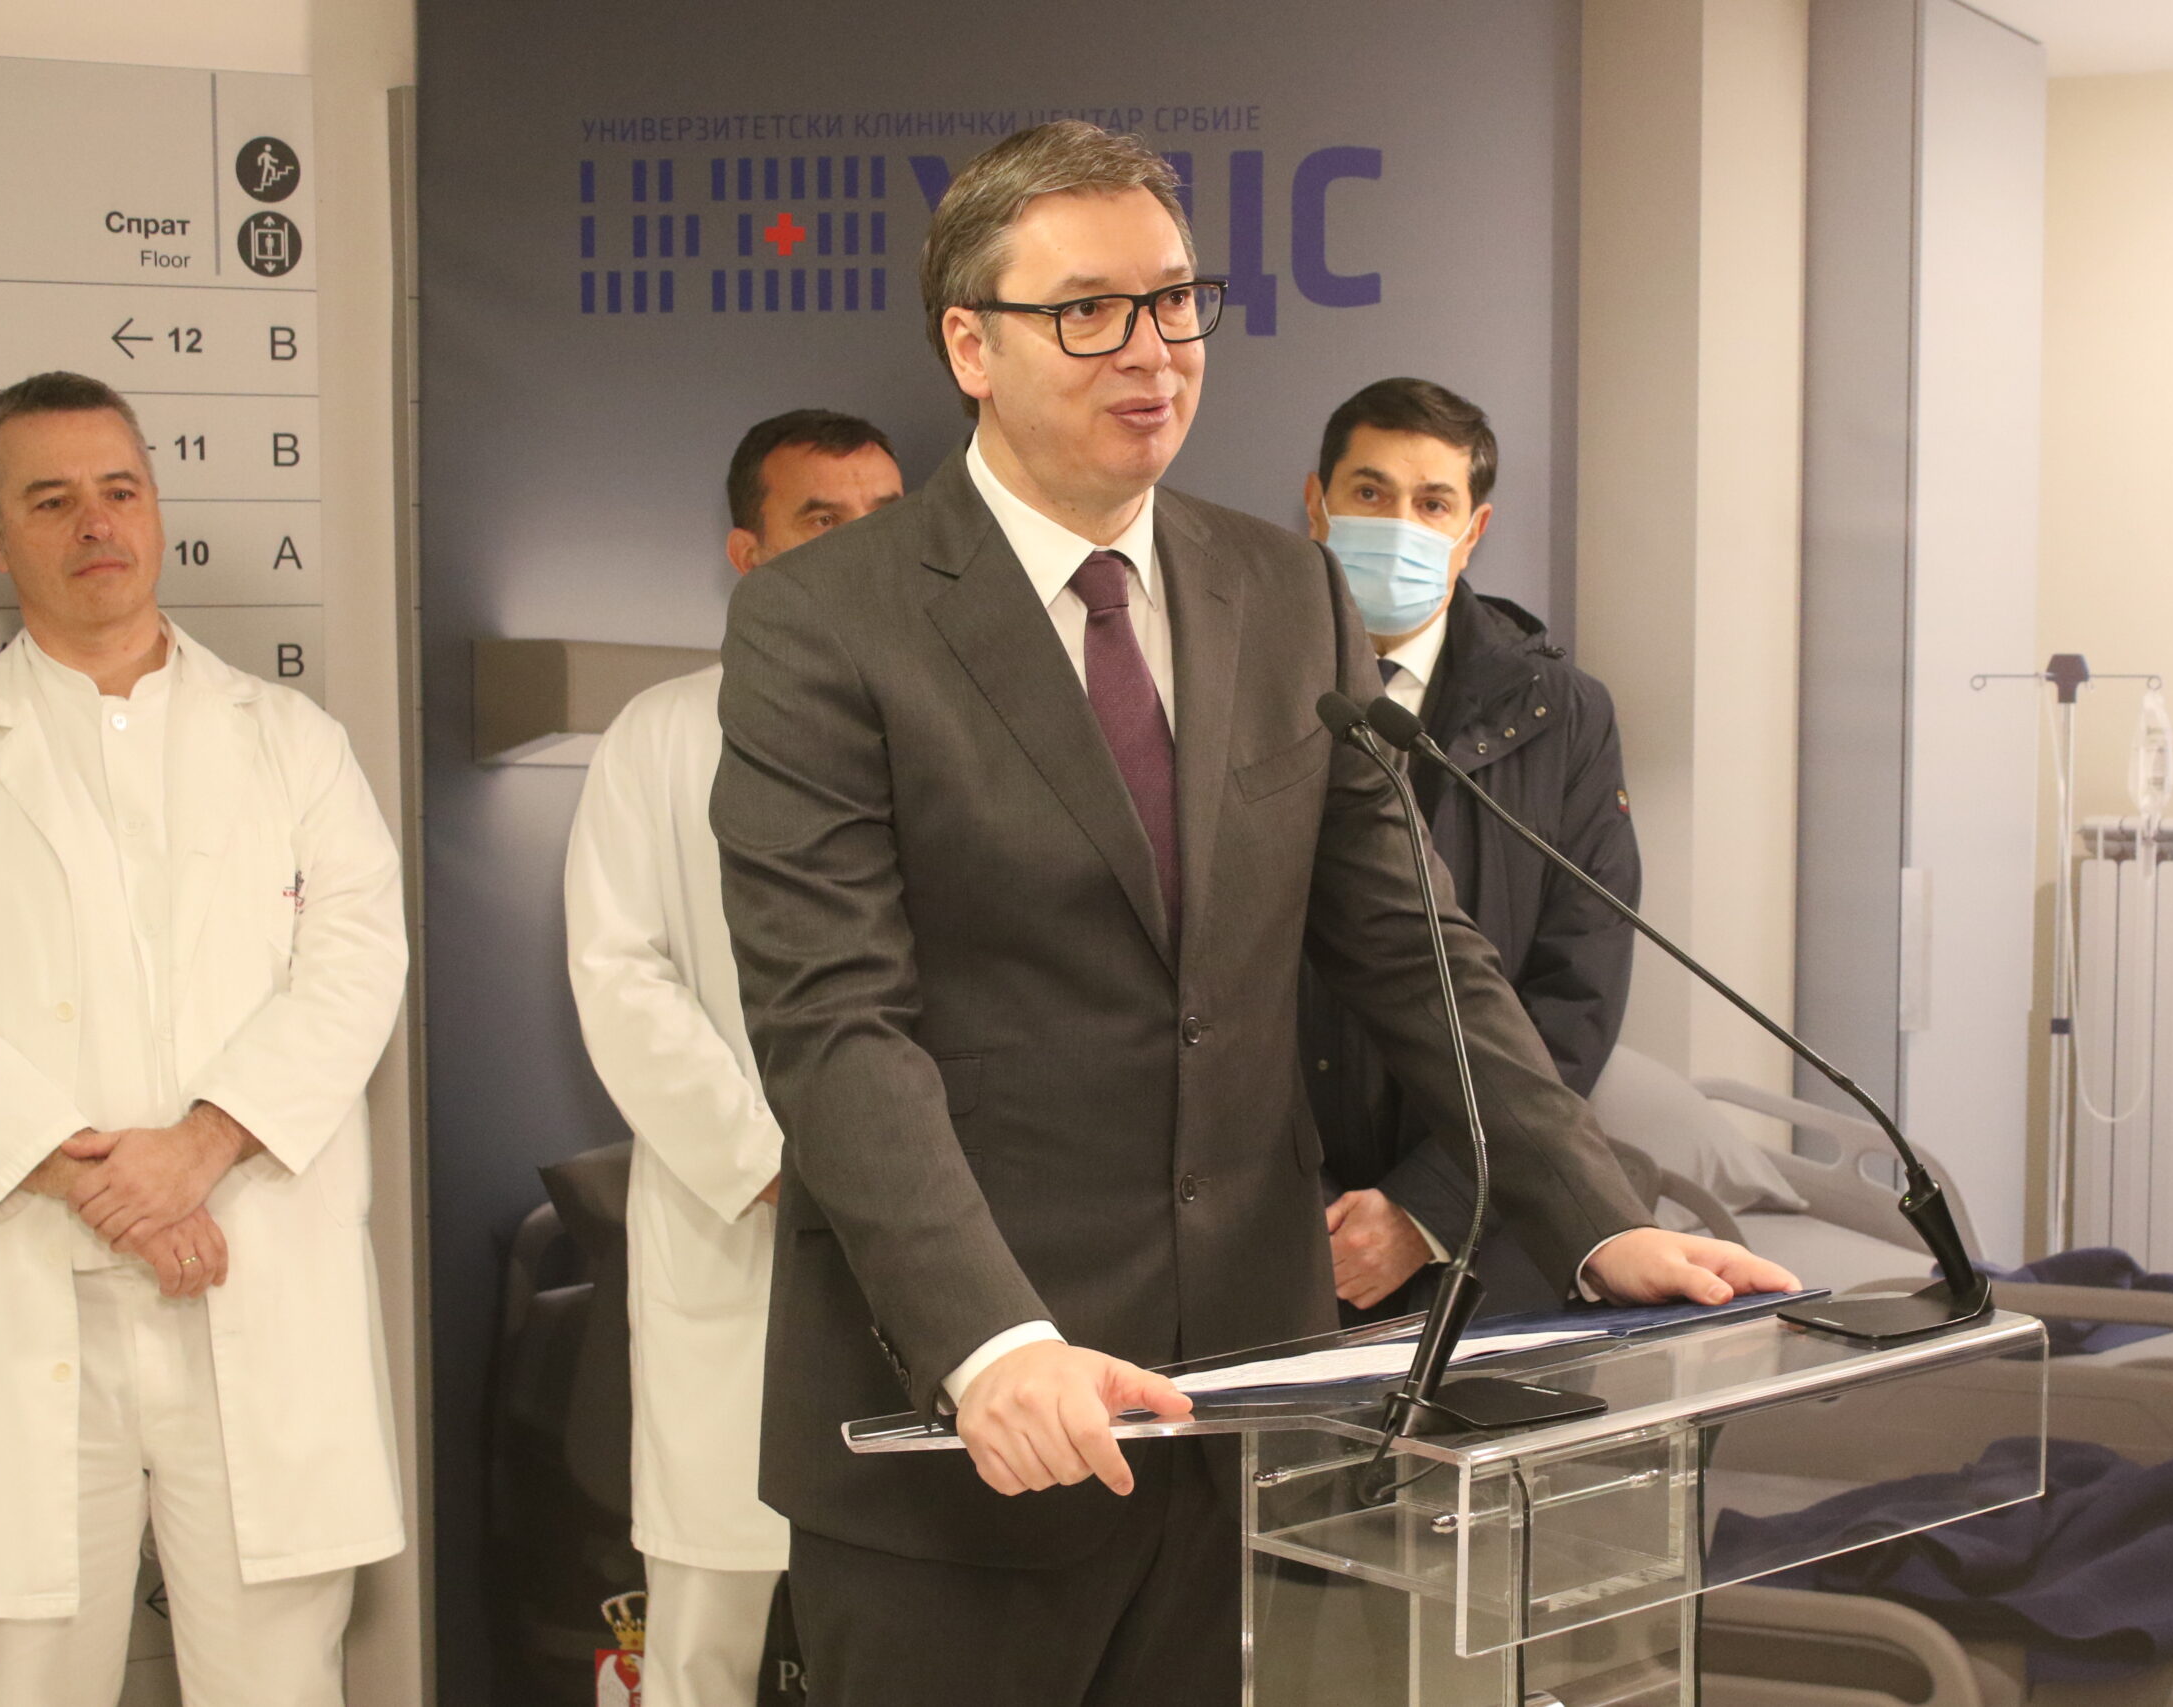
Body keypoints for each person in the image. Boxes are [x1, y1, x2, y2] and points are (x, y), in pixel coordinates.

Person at [709, 121, 1797, 1707]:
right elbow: (834, 1025)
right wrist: (989, 1339)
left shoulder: (1285, 592)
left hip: (1242, 1412)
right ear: (970, 346)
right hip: (970, 1428)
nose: (1150, 350)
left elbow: (1415, 947)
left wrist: (1594, 1209)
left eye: (1174, 300)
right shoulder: (825, 619)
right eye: (1088, 310)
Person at [0, 372, 408, 1707]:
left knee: (276, 1678)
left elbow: (356, 964)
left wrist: (203, 1146)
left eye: (119, 490)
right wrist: (91, 1176)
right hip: (30, 1288)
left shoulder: (291, 742)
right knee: (25, 1670)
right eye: (51, 500)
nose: (95, 524)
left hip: (249, 1276)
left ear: (156, 507)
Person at [564, 409, 902, 1707]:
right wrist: (773, 1167)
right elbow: (620, 971)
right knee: (705, 1630)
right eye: (823, 519)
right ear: (747, 553)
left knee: (912, 1618)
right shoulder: (660, 735)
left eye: (884, 520)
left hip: (918, 1237)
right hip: (740, 1229)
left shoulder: (958, 729)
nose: (859, 547)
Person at [1300, 378, 1643, 1318]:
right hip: (1265, 1226)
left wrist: (1431, 1207)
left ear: (1473, 529)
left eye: (1432, 503)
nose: (1399, 524)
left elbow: (1577, 991)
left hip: (1488, 1237)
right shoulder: (1228, 683)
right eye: (1370, 493)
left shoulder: (1562, 715)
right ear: (1316, 504)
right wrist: (1294, 1209)